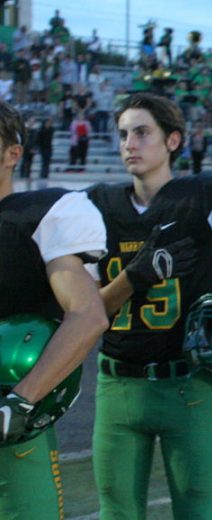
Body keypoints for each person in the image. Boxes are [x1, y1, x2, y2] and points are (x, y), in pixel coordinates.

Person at [86, 93, 212, 519]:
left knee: (197, 511)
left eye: (143, 132)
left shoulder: (203, 198)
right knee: (117, 512)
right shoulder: (96, 207)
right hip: (117, 385)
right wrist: (132, 278)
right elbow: (88, 314)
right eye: (124, 133)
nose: (130, 143)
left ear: (173, 141)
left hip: (187, 385)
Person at [0, 100, 108, 518]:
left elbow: (89, 314)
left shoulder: (39, 214)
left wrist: (21, 401)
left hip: (10, 430)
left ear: (13, 153)